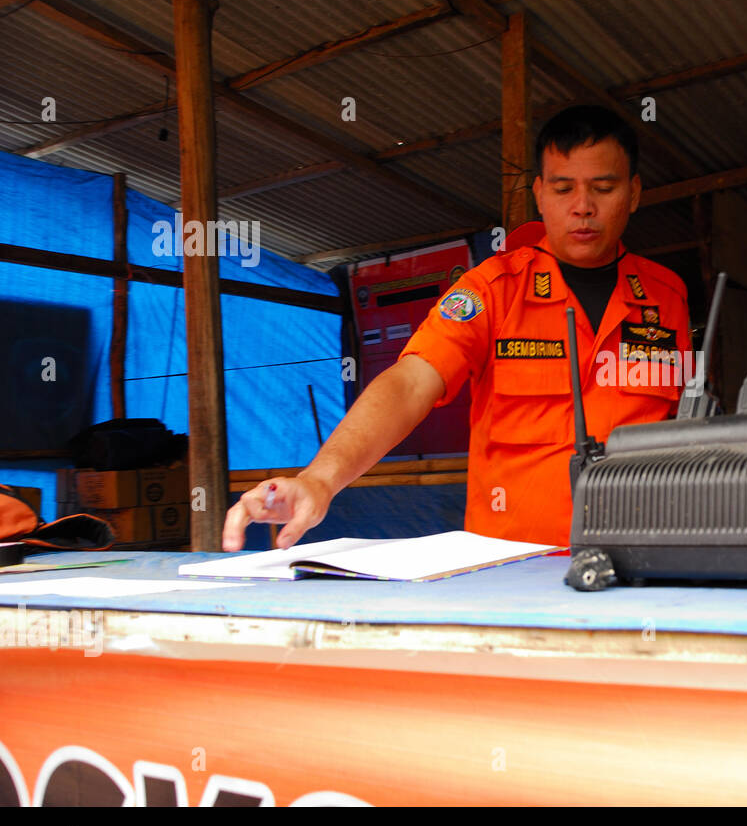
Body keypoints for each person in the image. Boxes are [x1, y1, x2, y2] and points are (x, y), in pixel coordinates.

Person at [223, 106, 693, 550]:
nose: (583, 206)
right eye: (564, 187)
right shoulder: (492, 289)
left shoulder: (667, 295)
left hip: (642, 562)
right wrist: (320, 479)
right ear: (539, 194)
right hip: (514, 575)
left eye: (603, 187)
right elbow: (410, 383)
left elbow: (683, 427)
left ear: (633, 192)